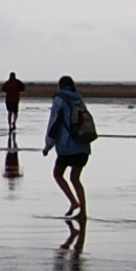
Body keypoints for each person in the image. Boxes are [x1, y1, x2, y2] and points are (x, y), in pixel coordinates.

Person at [43, 75, 94, 221]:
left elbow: (54, 124)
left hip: (67, 147)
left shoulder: (59, 100)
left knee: (57, 174)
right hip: (83, 145)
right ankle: (83, 212)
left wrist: (48, 146)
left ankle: (73, 202)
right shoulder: (79, 99)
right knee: (75, 179)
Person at [2, 71, 26, 148]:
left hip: (9, 100)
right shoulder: (17, 82)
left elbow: (3, 89)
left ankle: (10, 125)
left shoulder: (7, 83)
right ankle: (13, 123)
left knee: (10, 113)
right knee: (15, 113)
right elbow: (23, 88)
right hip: (15, 100)